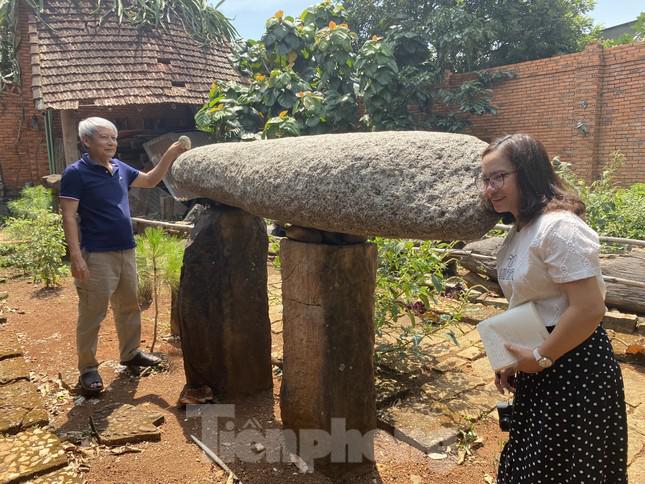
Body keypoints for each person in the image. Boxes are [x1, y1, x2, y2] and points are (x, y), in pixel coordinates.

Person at [478, 134, 627, 483]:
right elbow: (531, 301)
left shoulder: (559, 227)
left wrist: (541, 356)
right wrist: (510, 357)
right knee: (538, 461)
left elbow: (589, 309)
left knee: (567, 465)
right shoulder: (520, 229)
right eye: (485, 179)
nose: (490, 189)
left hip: (573, 366)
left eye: (499, 177)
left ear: (527, 172)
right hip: (542, 360)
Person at [60, 117, 187, 396]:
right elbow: (69, 215)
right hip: (96, 254)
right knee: (93, 312)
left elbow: (152, 179)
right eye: (105, 137)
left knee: (129, 306)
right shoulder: (76, 173)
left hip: (126, 249)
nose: (111, 143)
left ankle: (130, 354)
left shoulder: (119, 168)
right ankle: (88, 369)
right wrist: (76, 257)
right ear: (87, 141)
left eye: (114, 138)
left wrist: (170, 154)